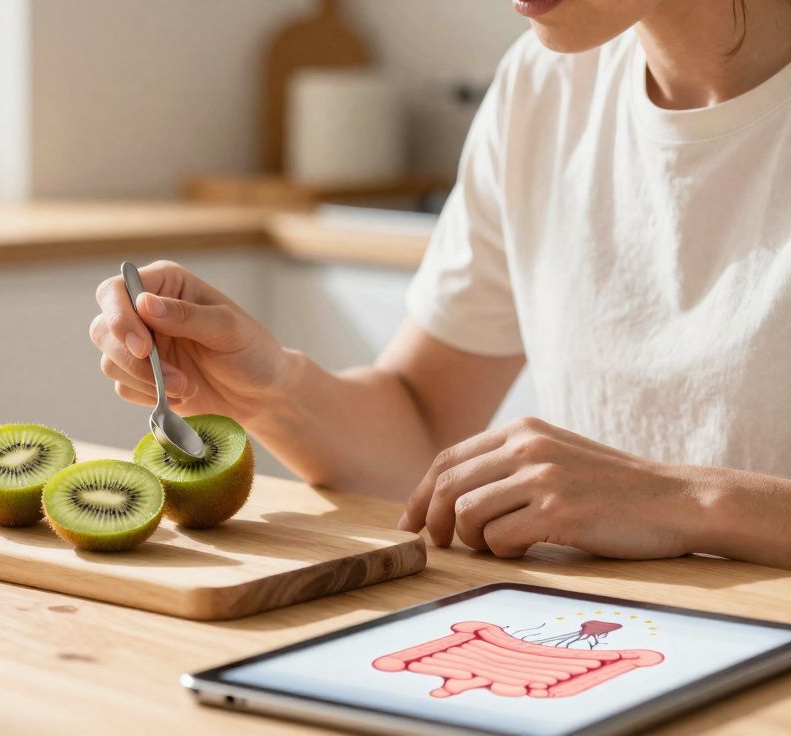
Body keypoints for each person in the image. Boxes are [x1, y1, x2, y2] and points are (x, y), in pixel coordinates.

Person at [89, 0, 791, 569]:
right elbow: (424, 432)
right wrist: (271, 391)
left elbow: (669, 502)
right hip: (630, 648)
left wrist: (686, 500)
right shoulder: (544, 88)